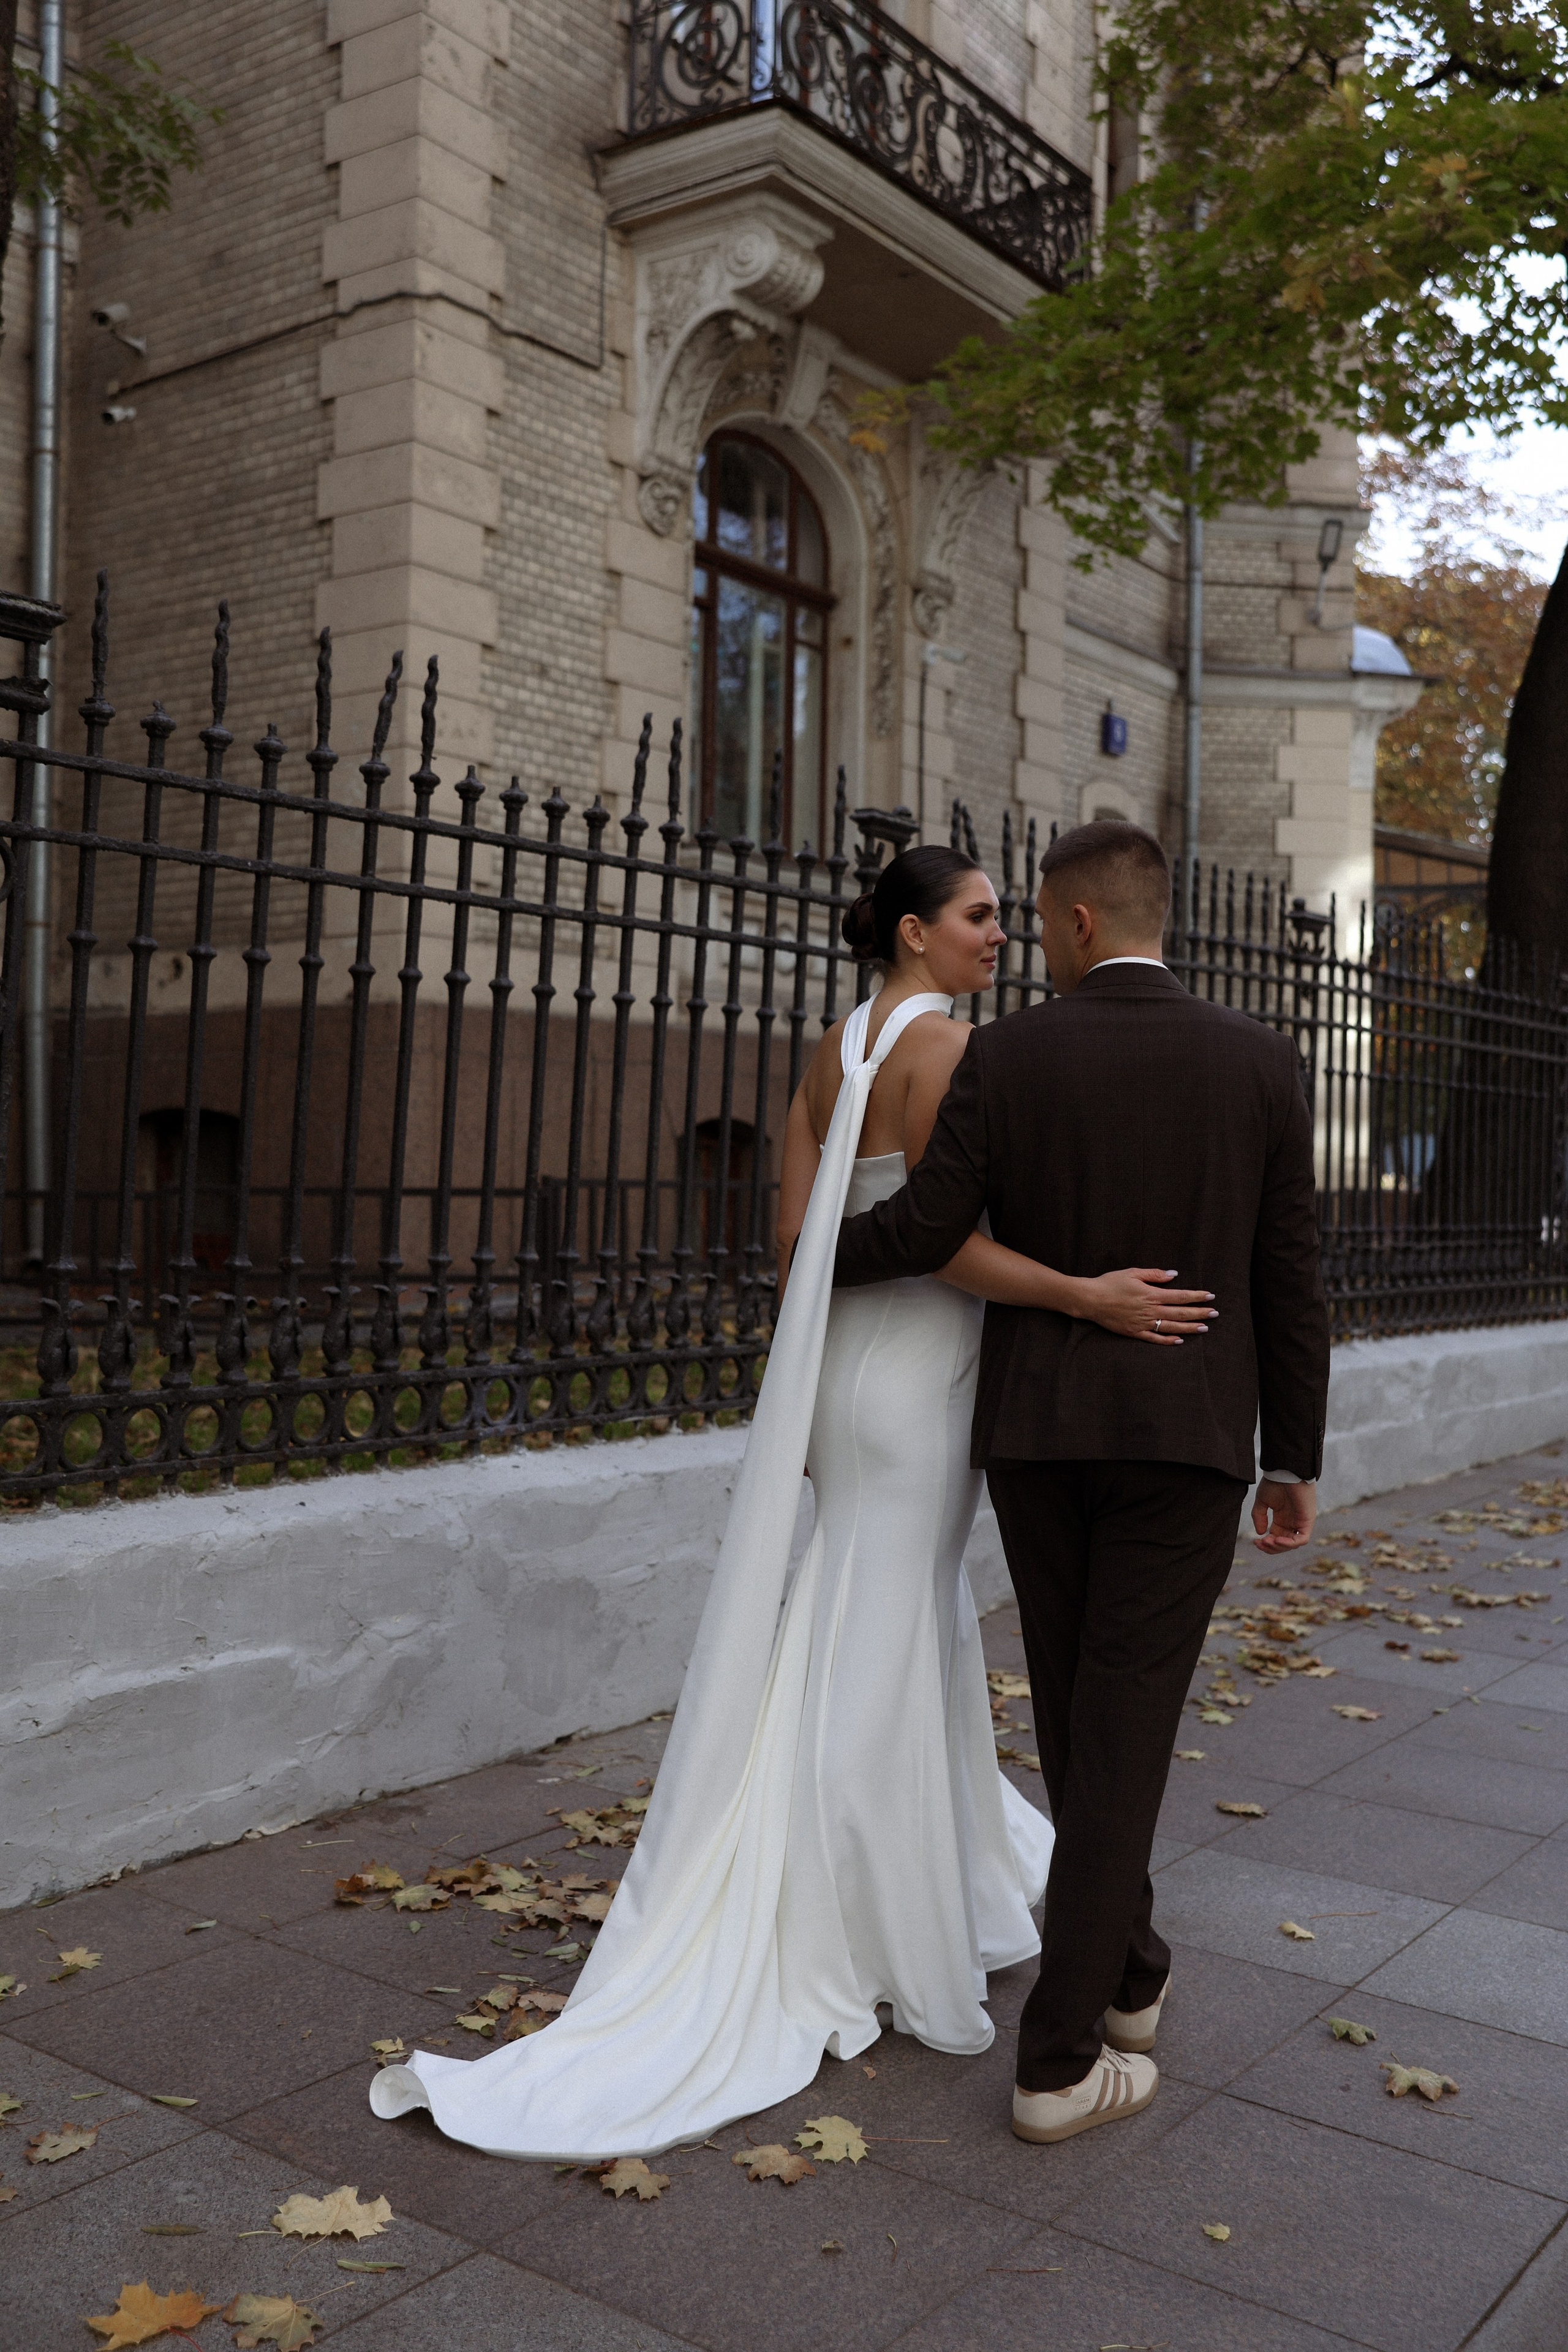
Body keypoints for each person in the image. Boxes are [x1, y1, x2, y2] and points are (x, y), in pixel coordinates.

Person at [369, 843, 1215, 2160]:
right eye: (976, 917)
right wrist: (1083, 1293)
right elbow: (946, 1237)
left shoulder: (829, 1055)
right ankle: (852, 1909)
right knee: (889, 1625)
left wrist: (810, 1384)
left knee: (860, 1611)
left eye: (1004, 918)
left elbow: (794, 1250)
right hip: (927, 1374)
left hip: (842, 1374)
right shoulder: (952, 1053)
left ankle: (879, 1878)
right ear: (914, 935)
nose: (997, 935)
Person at [833, 820, 1331, 2145]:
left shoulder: (1011, 1055)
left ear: (1073, 922)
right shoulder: (1259, 1063)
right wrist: (1292, 1457)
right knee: (1114, 1733)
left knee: (1077, 1720)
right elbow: (1291, 1278)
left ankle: (1129, 1977)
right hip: (1187, 1444)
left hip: (1039, 1441)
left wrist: (812, 1250)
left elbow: (927, 1229)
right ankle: (1057, 2065)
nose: (1023, 941)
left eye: (1032, 921)